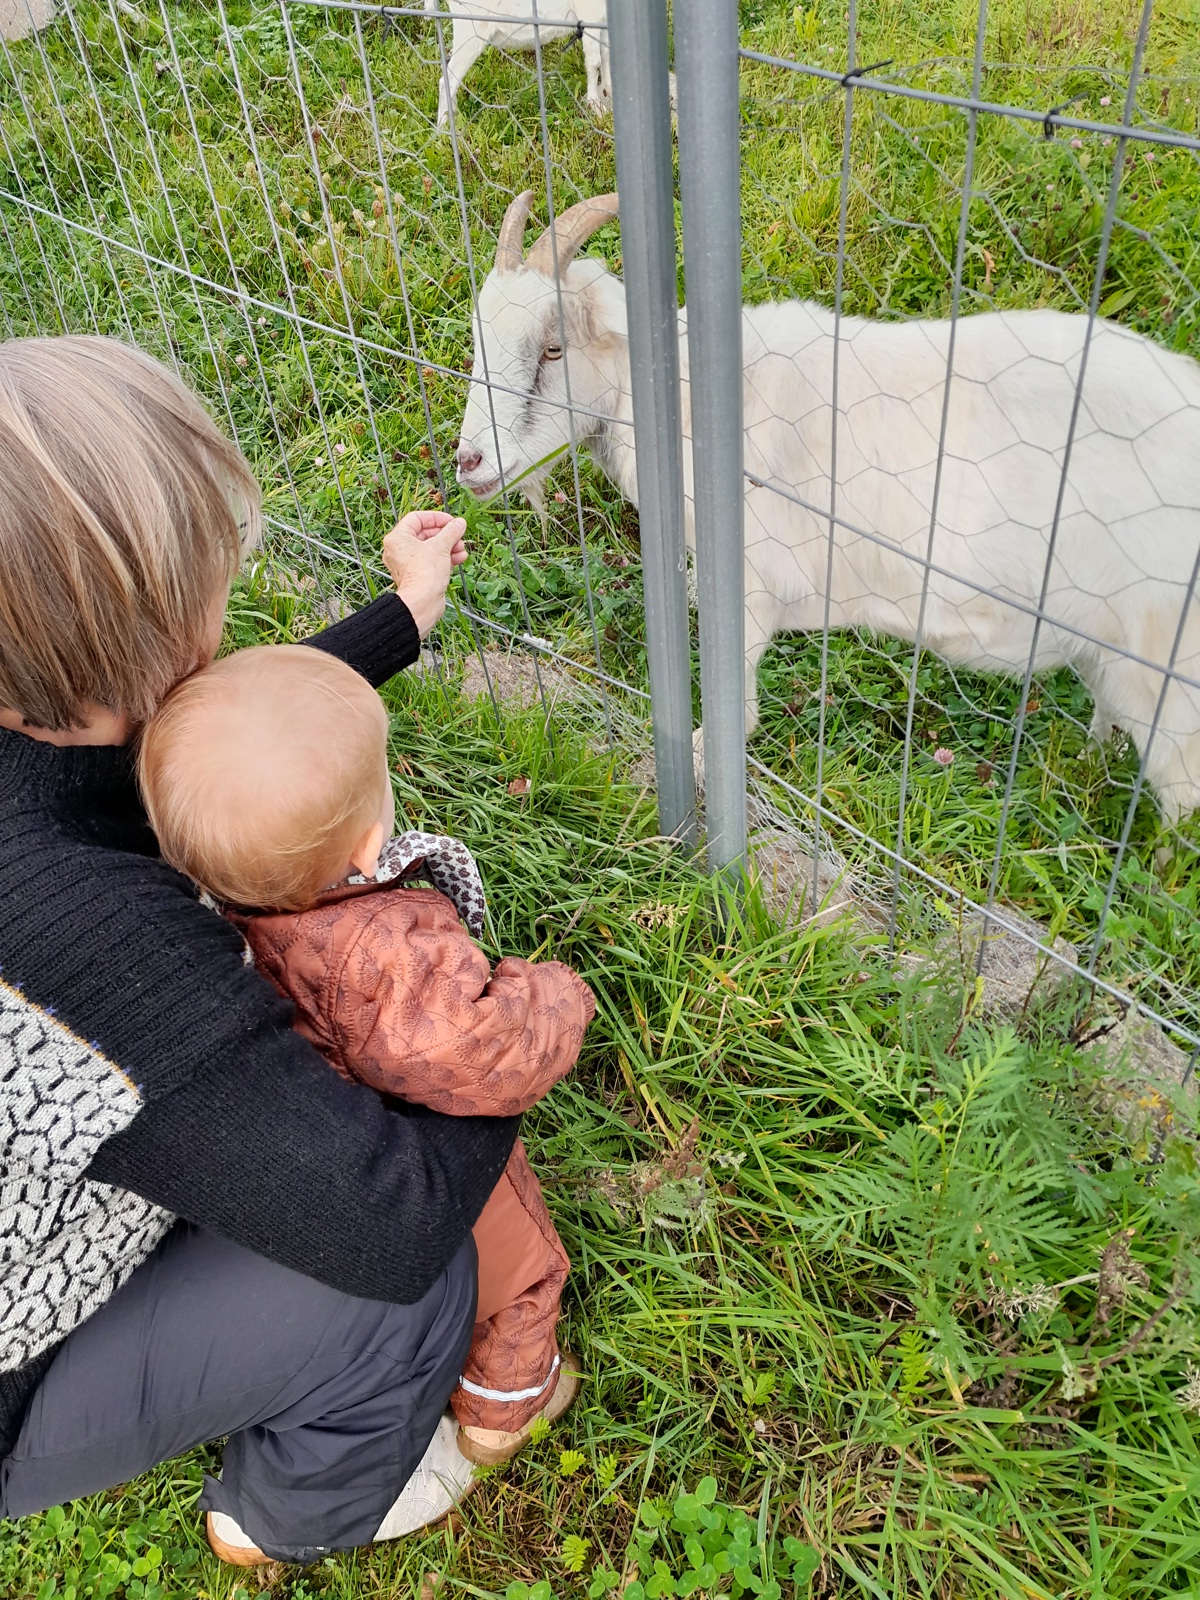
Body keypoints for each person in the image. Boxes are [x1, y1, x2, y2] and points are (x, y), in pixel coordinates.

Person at [0, 333, 520, 1568]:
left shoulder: (33, 721)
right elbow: (383, 1214)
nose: (229, 591)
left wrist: (397, 624)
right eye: (211, 570)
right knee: (403, 1282)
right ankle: (289, 1514)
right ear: (143, 617)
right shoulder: (89, 938)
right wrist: (485, 1044)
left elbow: (172, 763)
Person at [137, 643, 595, 1469]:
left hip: (311, 1151)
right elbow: (480, 1052)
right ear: (370, 841)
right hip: (412, 1151)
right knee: (519, 1270)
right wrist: (553, 994)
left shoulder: (194, 907)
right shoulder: (383, 950)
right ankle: (504, 1408)